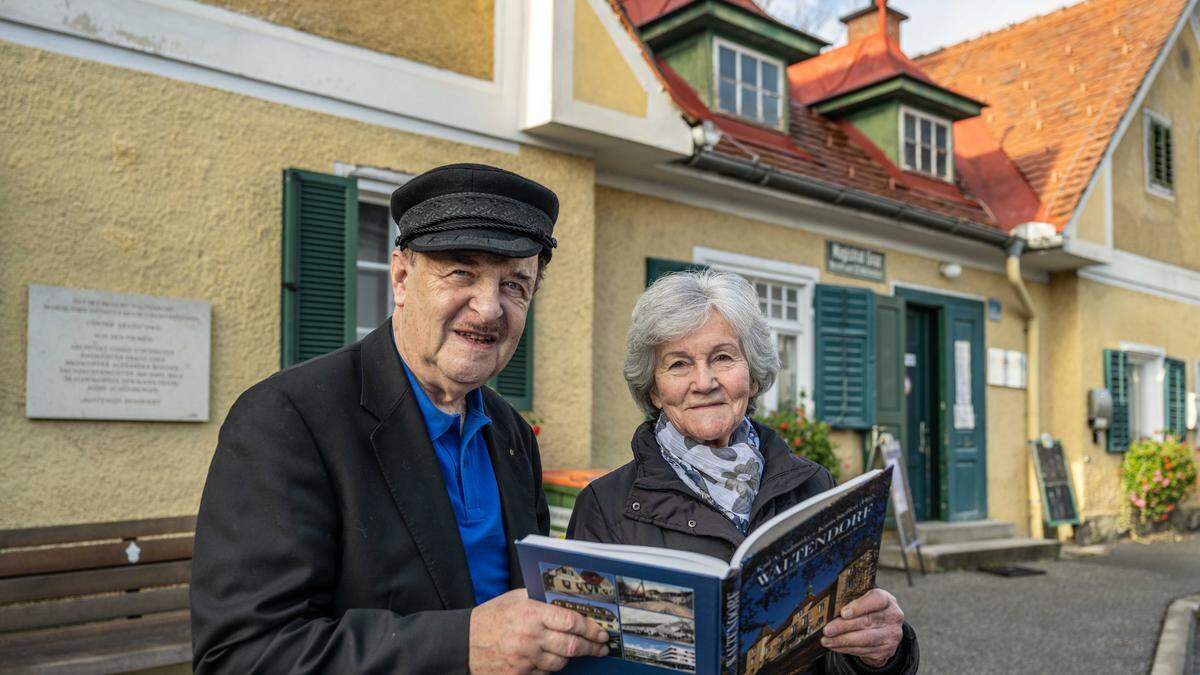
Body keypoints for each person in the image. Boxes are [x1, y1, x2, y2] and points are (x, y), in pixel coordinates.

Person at [191, 163, 609, 673]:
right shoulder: (287, 420)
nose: (489, 308)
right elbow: (239, 657)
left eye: (514, 285)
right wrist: (463, 645)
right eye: (462, 273)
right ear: (402, 278)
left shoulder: (511, 434)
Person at [567, 270, 919, 674]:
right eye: (679, 364)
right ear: (654, 391)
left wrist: (878, 655)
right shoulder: (603, 505)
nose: (704, 382)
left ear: (752, 377)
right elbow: (586, 659)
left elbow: (836, 654)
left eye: (722, 357)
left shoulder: (814, 486)